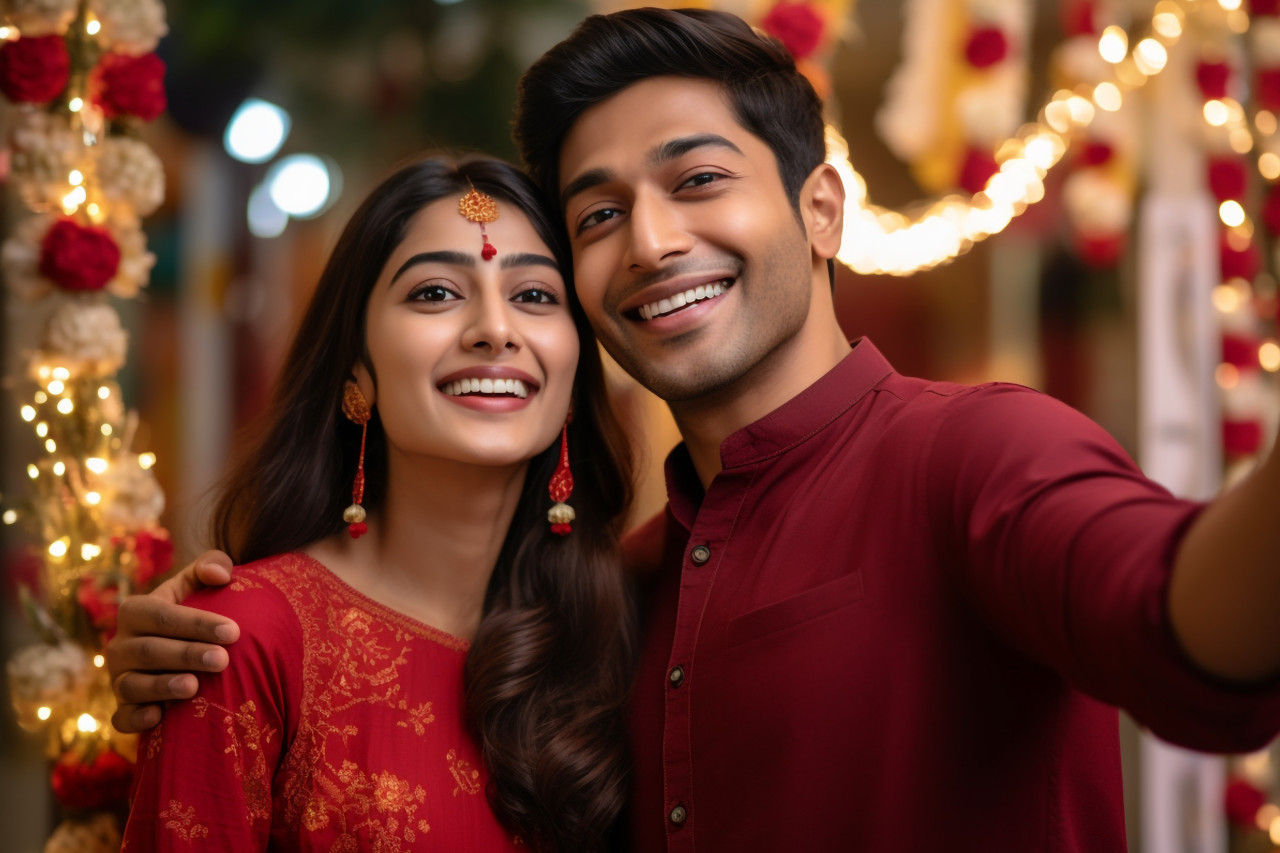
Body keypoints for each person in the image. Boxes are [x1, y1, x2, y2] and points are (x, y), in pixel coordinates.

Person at [109, 8, 1280, 852]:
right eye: (601, 213)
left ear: (819, 209)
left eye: (698, 179)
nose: (654, 242)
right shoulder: (615, 598)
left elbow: (1180, 626)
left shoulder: (974, 455)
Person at [118, 154, 634, 851]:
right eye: (435, 293)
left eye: (536, 296)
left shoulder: (612, 631)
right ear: (356, 370)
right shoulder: (242, 640)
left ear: (576, 372)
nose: (495, 328)